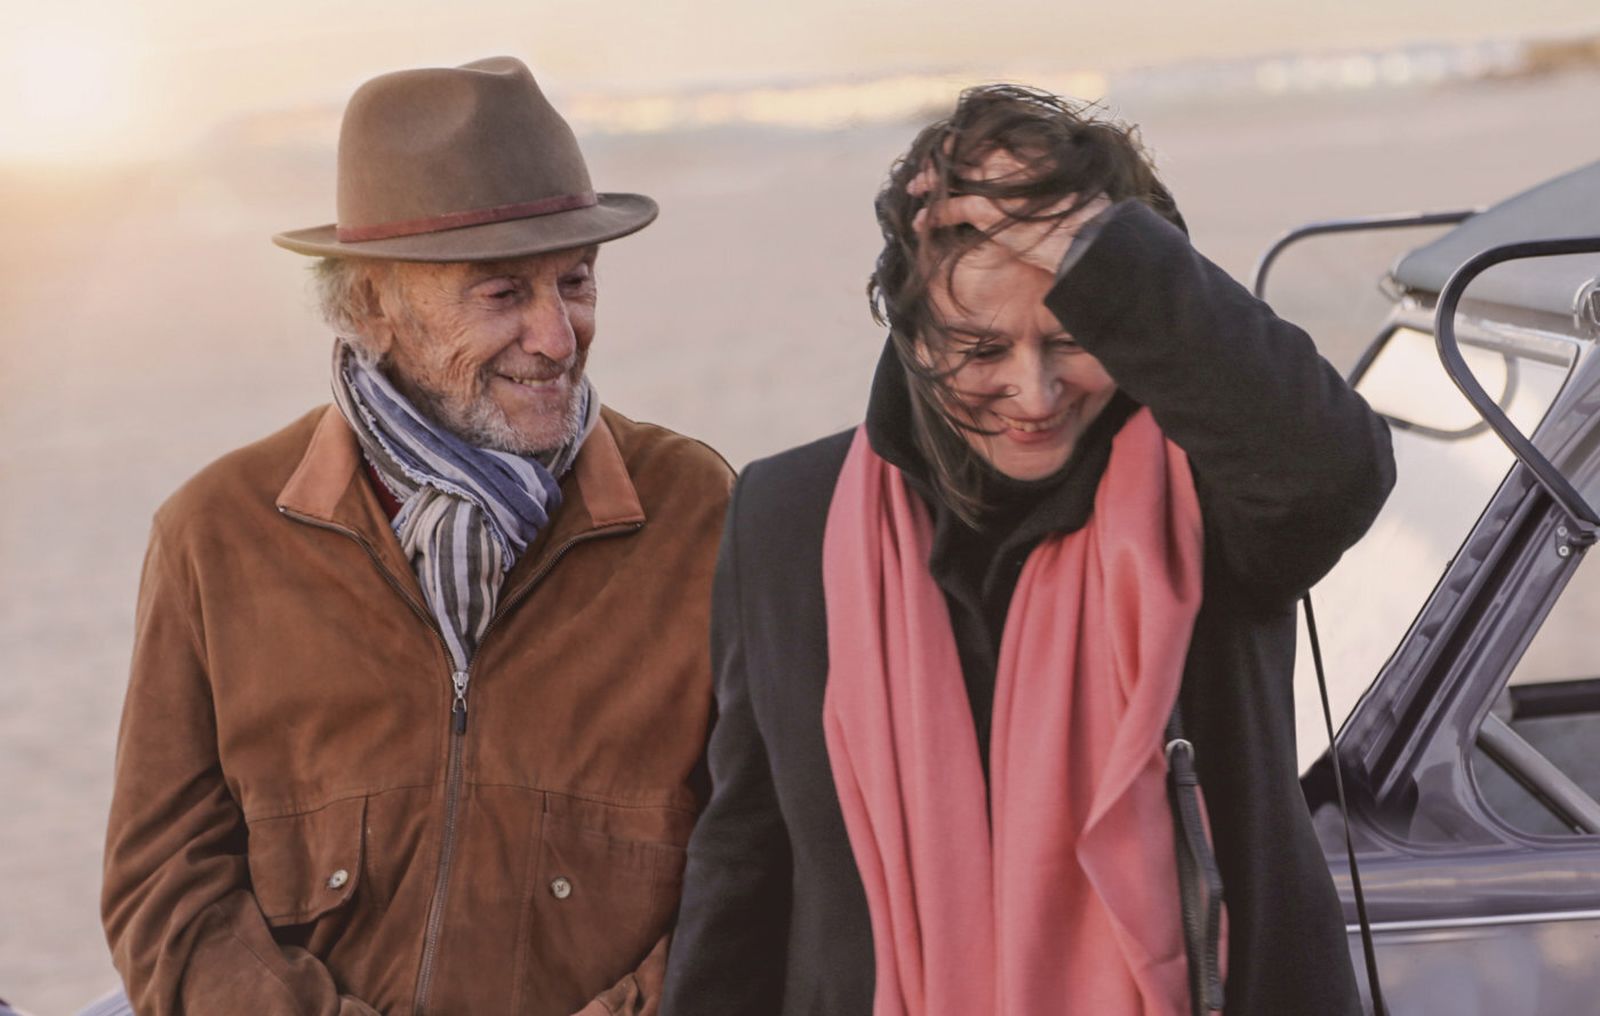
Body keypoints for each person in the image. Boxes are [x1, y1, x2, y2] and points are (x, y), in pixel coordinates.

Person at [660, 85, 1394, 1015]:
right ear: (910, 329)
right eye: (978, 349)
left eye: (1073, 338)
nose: (1033, 393)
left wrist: (1098, 248)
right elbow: (745, 857)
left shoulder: (1215, 489)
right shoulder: (786, 516)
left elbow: (1336, 471)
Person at [101, 57, 731, 1015]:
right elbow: (164, 891)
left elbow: (764, 852)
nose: (558, 336)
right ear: (368, 306)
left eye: (575, 281)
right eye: (501, 294)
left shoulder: (698, 513)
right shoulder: (214, 535)